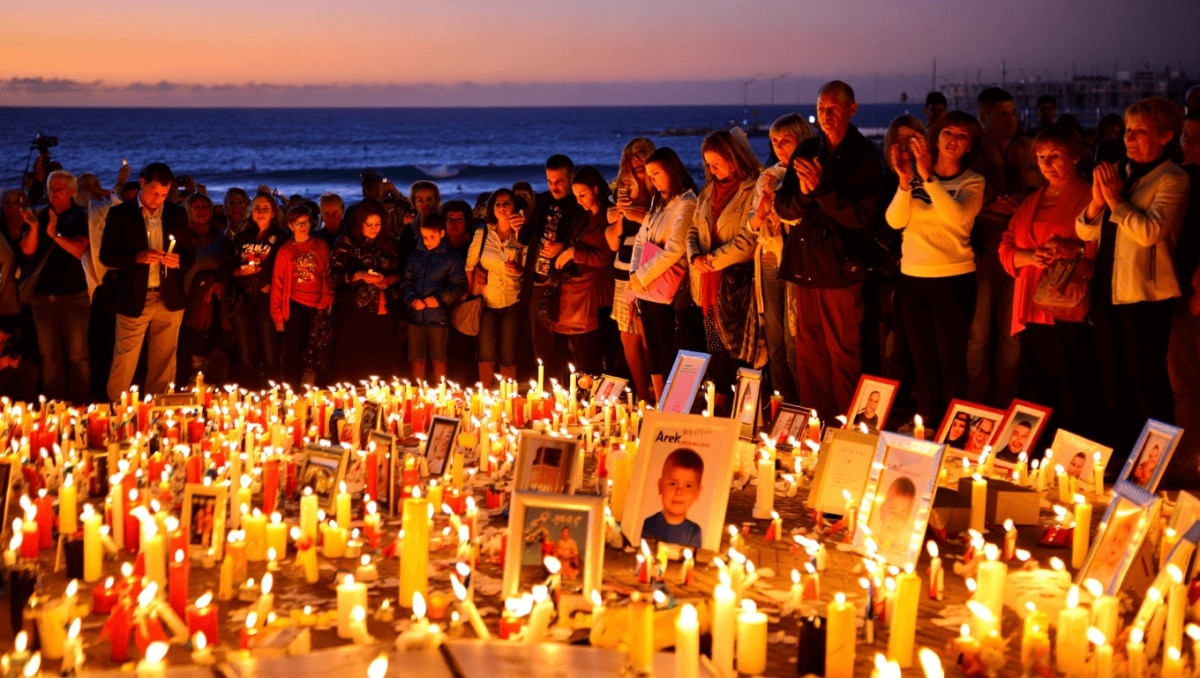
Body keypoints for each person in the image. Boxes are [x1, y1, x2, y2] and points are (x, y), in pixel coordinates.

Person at [1077, 97, 1189, 451]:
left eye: (1141, 131)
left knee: (1148, 381)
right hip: (1107, 291)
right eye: (1128, 130)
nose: (1130, 138)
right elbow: (1083, 232)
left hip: (1146, 295)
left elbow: (1148, 233)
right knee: (1113, 381)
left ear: (1167, 136)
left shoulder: (1173, 177)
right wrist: (1097, 202)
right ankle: (1118, 456)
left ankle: (1155, 463)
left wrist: (1114, 201)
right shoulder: (1120, 172)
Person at [775, 81, 885, 420]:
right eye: (821, 108)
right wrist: (808, 195)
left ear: (852, 109)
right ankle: (815, 427)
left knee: (843, 352)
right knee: (809, 352)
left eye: (833, 108)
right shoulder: (807, 150)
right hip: (806, 264)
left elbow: (860, 216)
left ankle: (847, 427)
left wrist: (821, 188)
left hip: (841, 270)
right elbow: (785, 205)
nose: (825, 115)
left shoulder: (864, 155)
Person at [885, 111, 985, 424]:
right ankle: (925, 424)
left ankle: (956, 430)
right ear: (936, 138)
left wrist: (928, 179)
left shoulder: (973, 181)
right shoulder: (912, 179)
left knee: (951, 362)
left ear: (970, 146)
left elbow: (956, 216)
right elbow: (895, 221)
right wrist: (905, 181)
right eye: (947, 133)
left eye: (962, 136)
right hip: (913, 279)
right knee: (921, 362)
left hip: (953, 280)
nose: (953, 140)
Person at [999, 124, 1098, 437]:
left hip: (1066, 305)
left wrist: (1073, 250)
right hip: (1031, 302)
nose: (1047, 164)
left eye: (1055, 156)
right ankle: (1038, 450)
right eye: (1041, 157)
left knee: (1073, 382)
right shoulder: (1033, 199)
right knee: (1036, 382)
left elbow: (1102, 247)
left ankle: (1072, 452)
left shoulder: (1090, 196)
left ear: (1075, 157)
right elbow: (1006, 245)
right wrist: (1030, 257)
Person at [967, 87, 1044, 407]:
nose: (1010, 120)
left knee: (1011, 332)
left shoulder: (1031, 149)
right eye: (1002, 114)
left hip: (1020, 250)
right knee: (978, 333)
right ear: (983, 117)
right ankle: (973, 404)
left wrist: (1021, 204)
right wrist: (985, 206)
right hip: (983, 249)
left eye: (1013, 113)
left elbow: (1047, 192)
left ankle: (1003, 403)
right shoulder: (972, 151)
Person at [100, 162, 194, 400]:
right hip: (134, 296)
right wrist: (137, 257)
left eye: (163, 194)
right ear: (142, 184)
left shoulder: (176, 214)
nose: (158, 200)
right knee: (125, 357)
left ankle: (158, 412)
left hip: (169, 296)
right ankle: (117, 408)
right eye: (153, 193)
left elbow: (189, 255)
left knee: (164, 360)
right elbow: (106, 256)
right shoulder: (120, 214)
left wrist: (177, 260)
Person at [686, 130, 761, 407]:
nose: (711, 169)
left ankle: (736, 407)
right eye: (708, 164)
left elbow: (748, 240)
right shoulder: (708, 191)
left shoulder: (751, 190)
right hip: (707, 283)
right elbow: (693, 229)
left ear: (733, 157)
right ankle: (717, 403)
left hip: (734, 283)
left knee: (735, 349)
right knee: (714, 345)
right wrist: (695, 256)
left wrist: (712, 260)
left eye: (716, 163)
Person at [746, 115, 811, 405]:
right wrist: (760, 213)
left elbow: (801, 216)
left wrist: (778, 205)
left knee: (793, 338)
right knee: (774, 339)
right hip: (768, 258)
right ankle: (781, 404)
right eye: (775, 141)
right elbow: (751, 223)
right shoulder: (767, 175)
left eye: (786, 140)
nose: (780, 146)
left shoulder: (806, 173)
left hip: (795, 258)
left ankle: (803, 405)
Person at [629, 148, 697, 401]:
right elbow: (640, 239)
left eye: (656, 173)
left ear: (672, 169)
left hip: (668, 288)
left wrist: (642, 275)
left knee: (671, 348)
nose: (652, 180)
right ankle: (661, 402)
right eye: (649, 175)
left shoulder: (686, 203)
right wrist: (635, 273)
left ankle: (676, 403)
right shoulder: (659, 203)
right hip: (647, 287)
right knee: (655, 350)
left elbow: (675, 249)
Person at [22, 169, 91, 402]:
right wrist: (33, 229)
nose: (53, 193)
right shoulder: (41, 216)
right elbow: (28, 250)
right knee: (49, 356)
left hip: (73, 297)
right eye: (50, 188)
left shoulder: (81, 216)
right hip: (42, 297)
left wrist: (54, 234)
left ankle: (80, 405)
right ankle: (54, 405)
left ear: (72, 191)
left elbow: (79, 249)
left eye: (59, 188)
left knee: (77, 356)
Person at [542, 166, 616, 375]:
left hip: (599, 291)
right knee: (575, 350)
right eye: (576, 196)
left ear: (595, 189)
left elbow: (605, 257)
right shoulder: (583, 218)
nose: (579, 200)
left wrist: (574, 253)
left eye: (582, 195)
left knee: (599, 348)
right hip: (577, 289)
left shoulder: (609, 216)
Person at [522, 155, 585, 381]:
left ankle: (569, 389)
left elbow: (586, 241)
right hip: (538, 281)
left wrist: (564, 246)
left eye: (559, 181)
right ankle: (548, 390)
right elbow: (528, 237)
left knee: (566, 343)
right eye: (549, 181)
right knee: (541, 344)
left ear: (570, 178)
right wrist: (520, 227)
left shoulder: (578, 204)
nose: (553, 186)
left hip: (563, 284)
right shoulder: (542, 201)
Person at [605, 138, 656, 402]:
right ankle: (641, 396)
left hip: (650, 272)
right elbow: (613, 241)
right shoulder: (622, 194)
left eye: (641, 159)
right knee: (628, 338)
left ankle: (657, 393)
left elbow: (664, 227)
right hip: (623, 271)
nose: (636, 164)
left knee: (649, 338)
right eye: (631, 160)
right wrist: (616, 221)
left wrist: (639, 215)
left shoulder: (661, 192)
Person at [329, 199, 401, 383]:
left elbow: (400, 271)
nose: (374, 228)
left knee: (382, 357)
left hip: (385, 307)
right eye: (368, 224)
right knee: (357, 359)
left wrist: (390, 279)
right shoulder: (346, 242)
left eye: (378, 224)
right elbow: (332, 276)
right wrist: (358, 275)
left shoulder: (389, 242)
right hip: (354, 309)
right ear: (359, 222)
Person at [225, 192, 288, 387]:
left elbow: (285, 268)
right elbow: (228, 268)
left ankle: (272, 393)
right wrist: (239, 271)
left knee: (270, 351)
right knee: (246, 352)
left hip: (267, 299)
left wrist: (271, 284)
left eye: (265, 209)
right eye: (257, 208)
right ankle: (248, 394)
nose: (260, 212)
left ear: (273, 213)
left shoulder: (280, 238)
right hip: (244, 298)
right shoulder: (242, 238)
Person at [467, 189, 526, 387]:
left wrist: (519, 270)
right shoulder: (483, 233)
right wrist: (476, 275)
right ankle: (484, 392)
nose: (502, 207)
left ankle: (507, 396)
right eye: (498, 203)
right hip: (487, 300)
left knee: (509, 350)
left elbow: (531, 266)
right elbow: (469, 265)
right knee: (486, 350)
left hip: (513, 298)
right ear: (492, 208)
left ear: (515, 207)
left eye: (507, 203)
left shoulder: (522, 234)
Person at [271, 204, 334, 387]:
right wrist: (278, 315)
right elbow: (278, 284)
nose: (303, 226)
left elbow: (327, 274)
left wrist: (326, 300)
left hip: (318, 305)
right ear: (290, 226)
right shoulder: (286, 251)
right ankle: (292, 388)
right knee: (293, 351)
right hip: (295, 304)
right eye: (298, 223)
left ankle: (314, 388)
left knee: (316, 350)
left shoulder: (320, 245)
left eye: (305, 222)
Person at [402, 213, 467, 384]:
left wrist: (438, 299)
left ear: (442, 234)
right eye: (424, 237)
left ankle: (440, 392)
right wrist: (411, 300)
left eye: (431, 237)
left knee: (439, 357)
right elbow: (405, 282)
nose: (427, 241)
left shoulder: (451, 258)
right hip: (415, 317)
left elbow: (459, 285)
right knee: (416, 357)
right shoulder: (415, 255)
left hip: (438, 317)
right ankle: (417, 392)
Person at [641, 447, 704, 549]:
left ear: (698, 492)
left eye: (688, 486)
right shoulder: (649, 524)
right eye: (673, 484)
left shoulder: (694, 531)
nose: (679, 492)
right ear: (660, 486)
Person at [869, 475, 917, 556]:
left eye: (903, 513)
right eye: (892, 511)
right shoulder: (866, 543)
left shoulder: (905, 555)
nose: (896, 519)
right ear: (882, 510)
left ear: (908, 519)